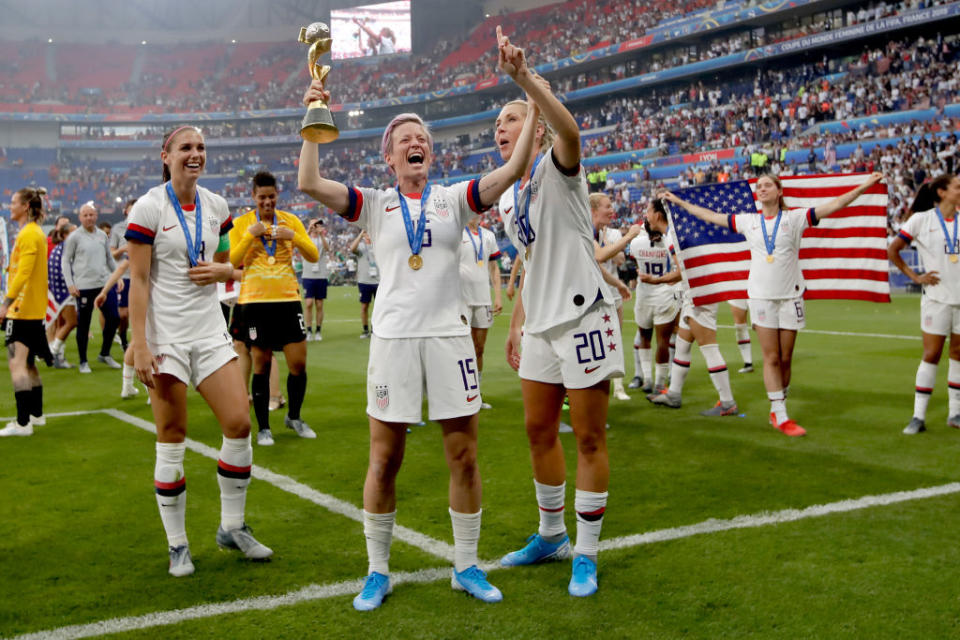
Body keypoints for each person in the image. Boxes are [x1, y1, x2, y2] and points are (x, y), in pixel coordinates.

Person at [297, 40, 538, 609]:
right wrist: (311, 119)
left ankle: (466, 566)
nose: (416, 143)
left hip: (450, 338)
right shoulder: (374, 202)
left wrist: (527, 89)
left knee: (464, 454)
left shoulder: (455, 199)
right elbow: (309, 183)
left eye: (422, 139)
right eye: (405, 139)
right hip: (395, 341)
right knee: (385, 458)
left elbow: (513, 168)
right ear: (388, 156)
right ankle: (377, 570)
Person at [494, 27, 622, 598]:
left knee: (589, 438)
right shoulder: (504, 198)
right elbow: (531, 261)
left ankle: (587, 555)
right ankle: (552, 536)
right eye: (497, 125)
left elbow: (571, 128)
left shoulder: (559, 163)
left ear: (536, 126)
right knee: (537, 430)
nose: (502, 129)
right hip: (541, 322)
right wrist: (518, 322)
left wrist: (526, 82)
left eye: (512, 119)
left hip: (584, 316)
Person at [126, 125, 272, 577]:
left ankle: (232, 526)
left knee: (239, 422)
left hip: (209, 331)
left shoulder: (217, 206)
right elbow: (140, 281)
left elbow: (231, 263)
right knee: (172, 436)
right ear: (165, 155)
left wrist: (222, 270)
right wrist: (140, 344)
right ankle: (178, 545)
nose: (195, 154)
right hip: (166, 337)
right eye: (186, 148)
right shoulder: (148, 207)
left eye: (201, 148)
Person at [661, 171, 884, 436]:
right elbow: (710, 216)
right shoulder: (748, 221)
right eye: (759, 186)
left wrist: (865, 186)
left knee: (786, 358)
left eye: (768, 185)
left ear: (779, 192)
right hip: (761, 298)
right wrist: (680, 203)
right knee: (772, 357)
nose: (762, 189)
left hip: (790, 297)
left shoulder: (796, 218)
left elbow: (835, 204)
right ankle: (780, 414)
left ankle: (778, 406)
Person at [229, 171, 319, 445]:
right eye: (261, 198)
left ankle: (294, 416)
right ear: (253, 197)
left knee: (298, 363)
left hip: (288, 299)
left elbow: (312, 255)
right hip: (254, 302)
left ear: (277, 195)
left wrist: (295, 237)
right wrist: (250, 236)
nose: (267, 202)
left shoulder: (290, 221)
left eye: (271, 197)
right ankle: (264, 428)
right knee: (261, 363)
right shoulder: (241, 223)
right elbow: (233, 260)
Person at [888, 175, 960, 434]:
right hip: (936, 299)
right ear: (942, 192)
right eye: (957, 187)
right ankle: (918, 417)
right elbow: (893, 250)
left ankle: (955, 413)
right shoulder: (922, 219)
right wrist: (915, 277)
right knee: (931, 355)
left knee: (958, 355)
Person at [0, 187, 52, 437]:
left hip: (22, 310)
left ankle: (22, 423)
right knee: (29, 364)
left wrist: (6, 303)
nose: (10, 206)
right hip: (31, 309)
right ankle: (36, 415)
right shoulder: (32, 233)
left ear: (25, 207)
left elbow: (24, 272)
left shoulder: (29, 234)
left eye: (13, 203)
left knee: (17, 365)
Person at [590, 192, 640, 400]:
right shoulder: (583, 229)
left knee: (613, 340)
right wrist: (629, 236)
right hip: (587, 297)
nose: (612, 211)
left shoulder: (608, 234)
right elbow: (600, 256)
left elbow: (617, 260)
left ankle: (616, 387)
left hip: (609, 293)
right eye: (607, 207)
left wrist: (619, 284)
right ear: (593, 210)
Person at [61, 201, 121, 373]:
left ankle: (105, 353)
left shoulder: (102, 235)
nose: (89, 218)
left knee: (114, 317)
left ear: (96, 216)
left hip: (104, 284)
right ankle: (83, 361)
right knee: (84, 324)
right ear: (80, 218)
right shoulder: (74, 237)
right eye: (85, 215)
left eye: (91, 215)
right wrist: (70, 284)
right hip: (84, 286)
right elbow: (66, 261)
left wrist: (117, 276)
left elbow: (109, 258)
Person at [628, 199, 680, 395]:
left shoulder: (637, 243)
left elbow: (633, 260)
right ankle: (659, 383)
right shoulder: (669, 241)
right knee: (664, 341)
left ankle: (647, 380)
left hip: (645, 294)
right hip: (666, 293)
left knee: (644, 337)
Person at [459, 214, 502, 409]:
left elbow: (494, 268)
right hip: (461, 300)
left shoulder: (489, 236)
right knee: (460, 348)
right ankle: (459, 391)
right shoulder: (457, 233)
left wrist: (498, 296)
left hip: (483, 299)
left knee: (479, 348)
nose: (474, 214)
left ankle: (475, 393)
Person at [46, 224, 78, 368]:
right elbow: (65, 272)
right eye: (74, 232)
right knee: (72, 322)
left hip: (58, 291)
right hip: (64, 292)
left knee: (63, 324)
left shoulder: (59, 248)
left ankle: (59, 358)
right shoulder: (66, 249)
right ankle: (53, 353)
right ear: (65, 235)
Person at [110, 198, 138, 351]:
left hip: (140, 275)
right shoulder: (118, 229)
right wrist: (122, 250)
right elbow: (111, 254)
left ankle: (138, 342)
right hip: (124, 276)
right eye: (131, 209)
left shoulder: (145, 226)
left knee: (141, 312)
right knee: (123, 315)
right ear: (126, 211)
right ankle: (122, 336)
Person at [302, 217, 331, 341]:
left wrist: (321, 235)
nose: (315, 226)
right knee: (308, 304)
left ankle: (318, 330)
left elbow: (327, 248)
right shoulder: (307, 238)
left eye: (317, 225)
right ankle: (308, 330)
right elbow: (301, 241)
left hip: (321, 275)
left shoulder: (325, 239)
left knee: (319, 304)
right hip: (308, 275)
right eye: (313, 224)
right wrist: (309, 230)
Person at [349, 231, 379, 338]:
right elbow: (352, 249)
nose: (368, 234)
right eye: (366, 232)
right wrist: (360, 235)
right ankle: (365, 330)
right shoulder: (361, 246)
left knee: (378, 308)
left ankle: (375, 329)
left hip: (378, 281)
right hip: (364, 281)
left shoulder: (378, 244)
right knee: (364, 306)